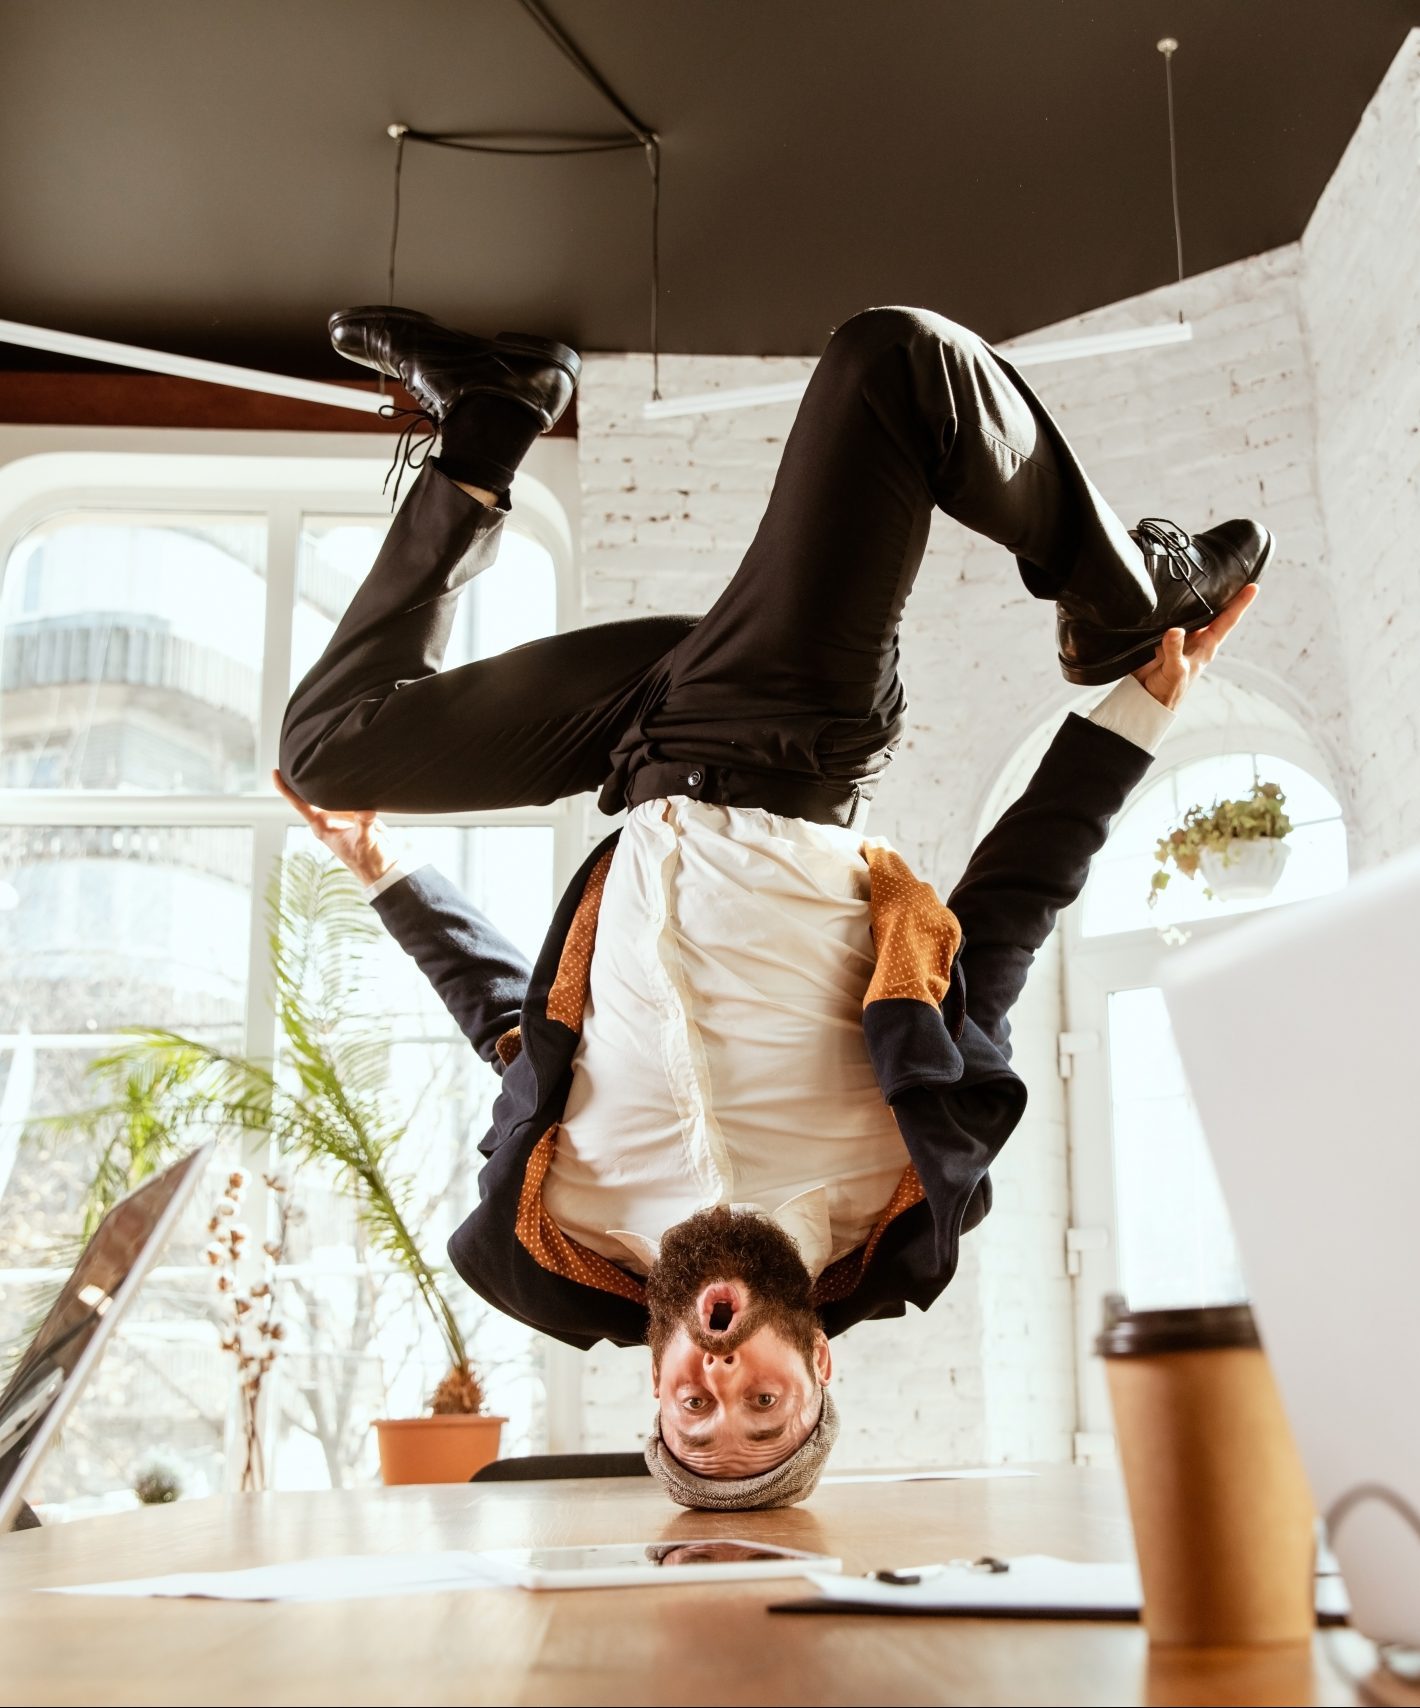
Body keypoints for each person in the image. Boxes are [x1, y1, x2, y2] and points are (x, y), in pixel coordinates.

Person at [277, 304, 1267, 1510]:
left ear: (656, 1383)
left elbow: (511, 1029)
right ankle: (1130, 591)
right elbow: (1004, 920)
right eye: (764, 1403)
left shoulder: (567, 1221)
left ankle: (495, 412)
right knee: (894, 367)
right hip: (787, 726)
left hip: (632, 743)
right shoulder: (894, 1182)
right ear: (816, 1358)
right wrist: (1139, 716)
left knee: (329, 748)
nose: (721, 1375)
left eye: (697, 1407)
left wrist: (385, 873)